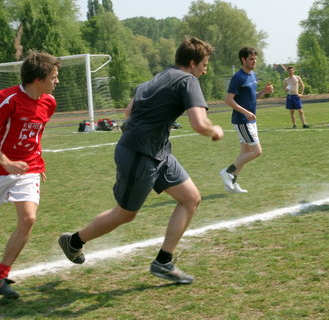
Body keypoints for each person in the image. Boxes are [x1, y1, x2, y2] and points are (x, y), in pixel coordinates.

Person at [58, 37, 223, 284]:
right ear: (192, 62)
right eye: (204, 64)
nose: (205, 69)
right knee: (125, 213)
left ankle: (163, 262)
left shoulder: (157, 77)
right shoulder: (188, 80)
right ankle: (73, 242)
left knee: (191, 199)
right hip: (139, 153)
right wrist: (214, 130)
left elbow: (128, 111)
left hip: (158, 152)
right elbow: (199, 124)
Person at [0, 52, 60, 299]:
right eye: (54, 77)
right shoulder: (7, 100)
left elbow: (36, 135)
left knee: (28, 219)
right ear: (38, 79)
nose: (57, 81)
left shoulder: (49, 103)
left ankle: (1, 275)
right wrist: (5, 161)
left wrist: (39, 163)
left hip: (28, 168)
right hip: (2, 166)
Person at [219, 47, 273, 194]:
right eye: (251, 59)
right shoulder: (238, 77)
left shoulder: (253, 75)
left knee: (245, 153)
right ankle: (227, 172)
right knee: (257, 151)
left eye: (255, 58)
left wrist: (263, 92)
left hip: (250, 120)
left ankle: (231, 184)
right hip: (242, 120)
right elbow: (228, 100)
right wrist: (246, 112)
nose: (254, 61)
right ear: (243, 60)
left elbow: (251, 96)